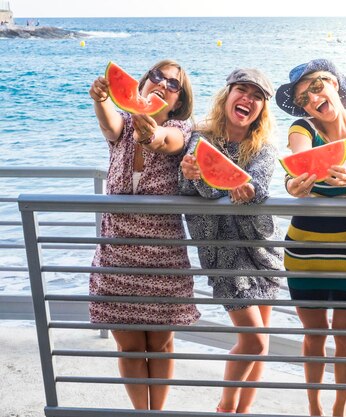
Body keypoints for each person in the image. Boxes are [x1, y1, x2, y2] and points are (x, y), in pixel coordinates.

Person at [275, 58, 346, 417]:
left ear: (336, 85)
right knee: (314, 336)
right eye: (304, 97)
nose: (312, 98)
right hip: (303, 251)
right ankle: (314, 408)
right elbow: (298, 155)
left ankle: (339, 408)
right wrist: (294, 182)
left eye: (317, 86)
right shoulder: (302, 127)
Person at [88, 59, 200, 410]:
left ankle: (159, 411)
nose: (162, 84)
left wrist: (150, 135)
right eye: (156, 76)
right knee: (129, 346)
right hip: (116, 257)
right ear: (142, 83)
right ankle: (142, 413)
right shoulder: (121, 127)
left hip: (163, 259)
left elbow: (166, 141)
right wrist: (101, 97)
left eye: (173, 84)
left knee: (162, 344)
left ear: (178, 101)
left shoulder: (182, 130)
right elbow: (108, 120)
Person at [179, 68, 283, 414]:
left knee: (262, 345)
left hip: (261, 251)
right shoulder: (200, 137)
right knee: (252, 341)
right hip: (221, 253)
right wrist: (197, 174)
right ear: (228, 95)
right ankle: (225, 408)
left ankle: (242, 412)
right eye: (242, 90)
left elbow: (260, 184)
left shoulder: (264, 146)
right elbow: (208, 191)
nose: (248, 99)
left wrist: (248, 188)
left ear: (262, 108)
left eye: (257, 96)